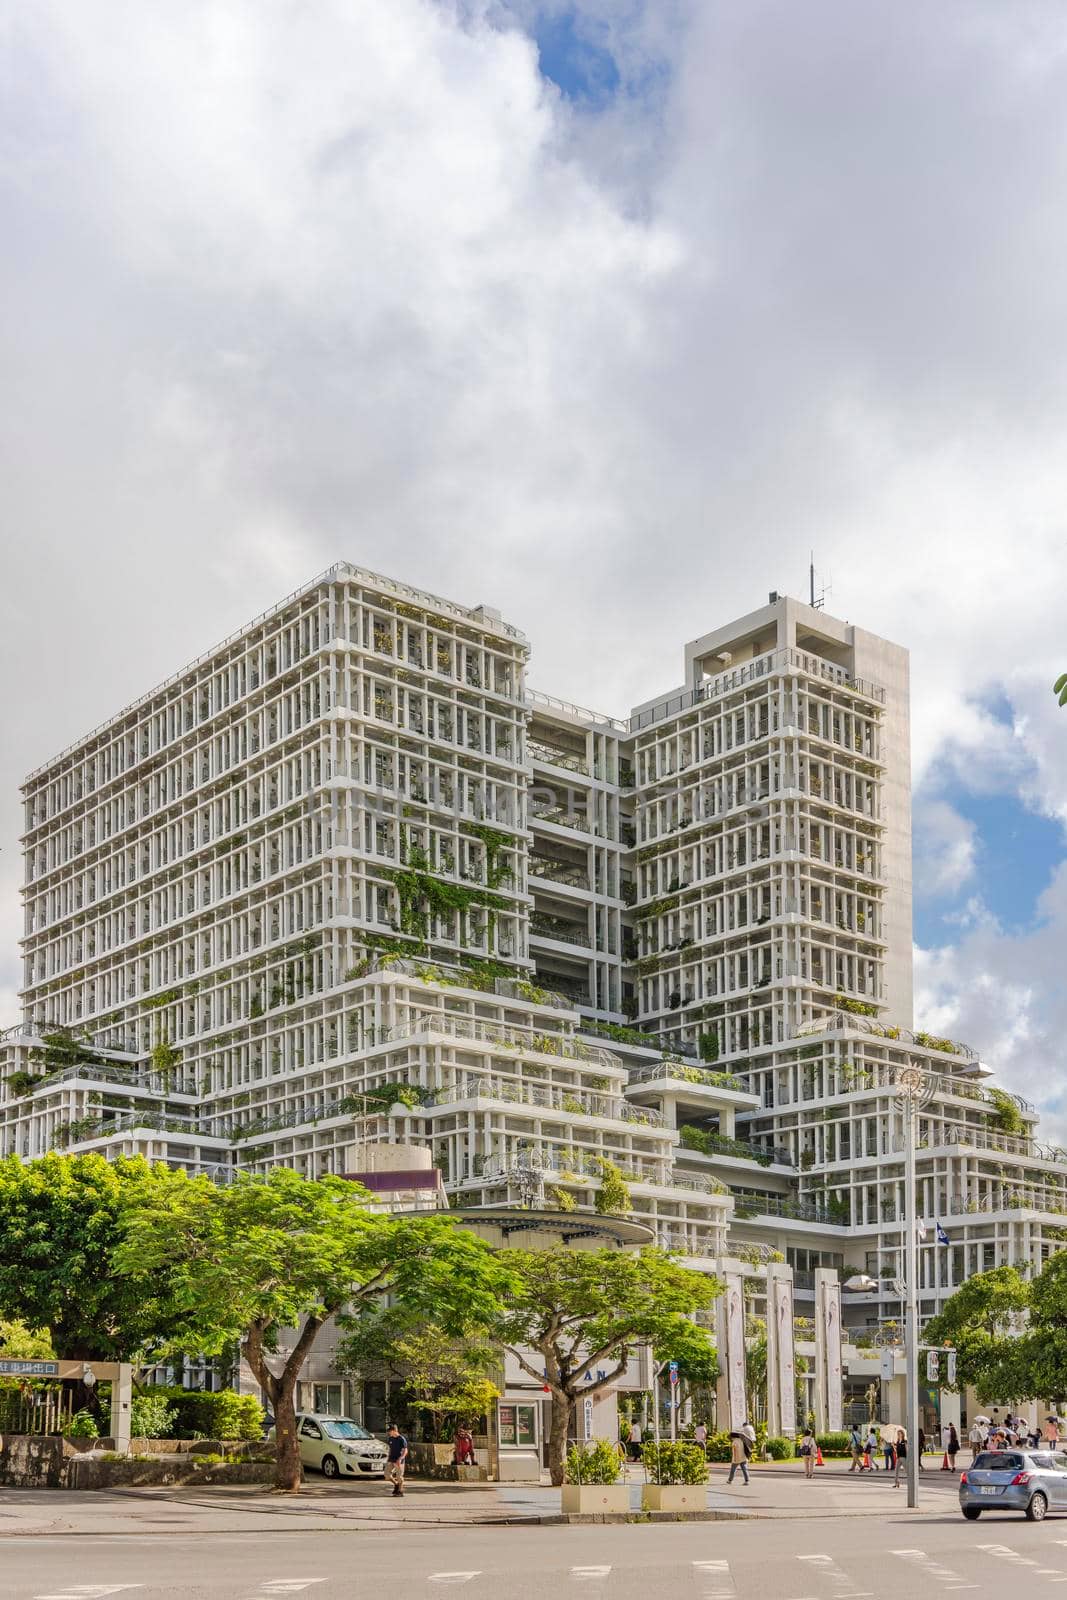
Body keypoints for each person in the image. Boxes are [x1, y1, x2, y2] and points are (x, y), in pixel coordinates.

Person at [386, 1422, 408, 1496]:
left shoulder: (401, 1439)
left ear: (395, 1430)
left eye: (390, 1431)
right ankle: (396, 1484)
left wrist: (400, 1458)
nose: (389, 1432)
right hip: (391, 1459)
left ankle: (400, 1491)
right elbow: (390, 1448)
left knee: (399, 1476)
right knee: (387, 1475)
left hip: (399, 1460)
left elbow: (405, 1450)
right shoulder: (390, 1438)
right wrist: (388, 1457)